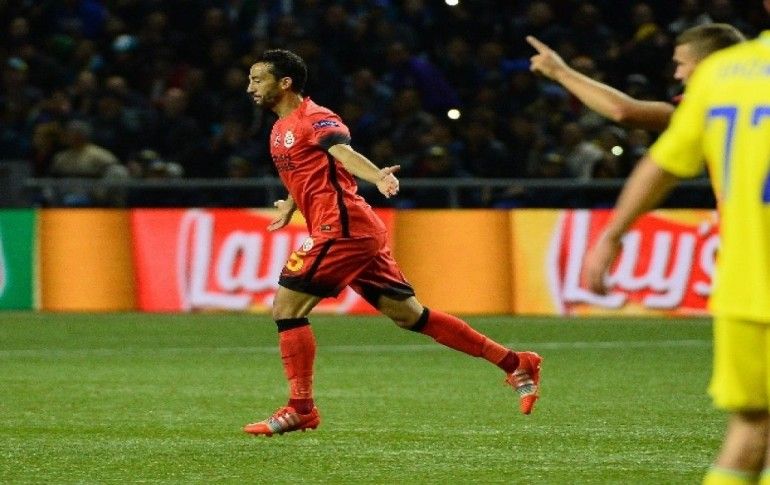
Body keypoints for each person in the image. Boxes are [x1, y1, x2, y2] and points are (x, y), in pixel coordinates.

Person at [241, 49, 542, 436]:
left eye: (257, 79)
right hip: (354, 230)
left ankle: (301, 409)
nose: (250, 87)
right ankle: (515, 362)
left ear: (284, 83)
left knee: (286, 307)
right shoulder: (278, 128)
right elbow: (310, 172)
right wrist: (291, 203)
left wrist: (378, 176)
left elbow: (343, 153)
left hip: (343, 229)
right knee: (411, 316)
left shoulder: (315, 117)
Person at [583, 3, 770, 482]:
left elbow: (662, 163)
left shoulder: (723, 73)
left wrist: (612, 234)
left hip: (745, 289)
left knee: (750, 431)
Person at [526, 23, 745, 131]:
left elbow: (623, 111)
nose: (677, 74)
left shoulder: (719, 106)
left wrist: (560, 72)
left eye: (681, 64)